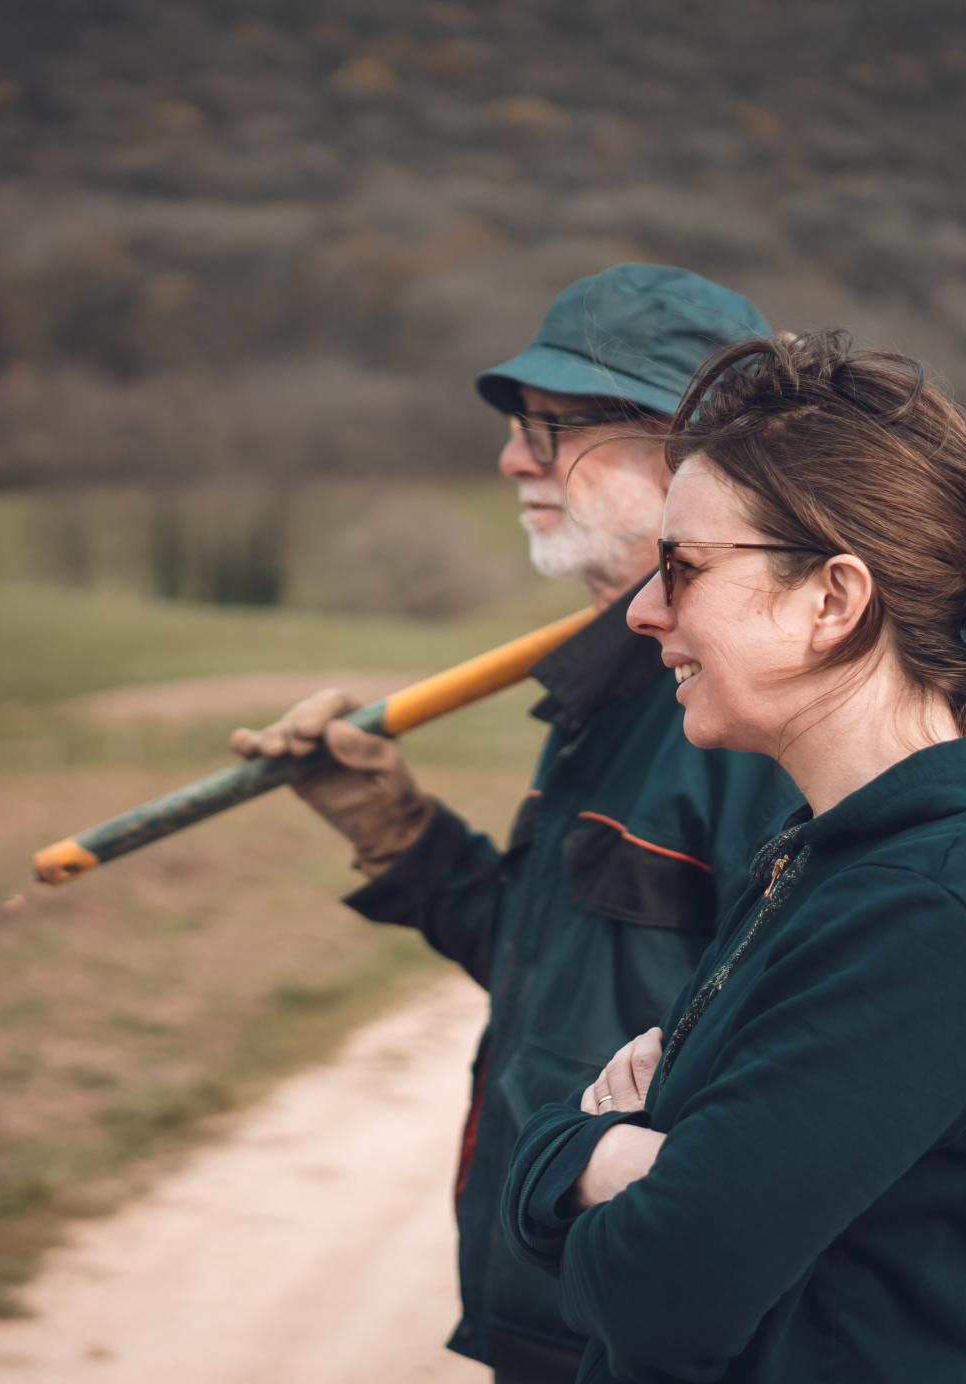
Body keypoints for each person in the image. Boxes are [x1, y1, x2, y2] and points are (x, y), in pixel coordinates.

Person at [231, 264, 802, 1382]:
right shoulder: (614, 686)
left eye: (558, 428)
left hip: (655, 1332)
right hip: (550, 1311)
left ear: (700, 452)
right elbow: (566, 980)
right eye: (517, 429)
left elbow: (796, 1091)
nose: (512, 460)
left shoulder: (758, 722)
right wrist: (402, 836)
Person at [501, 330, 966, 1383]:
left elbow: (649, 1292)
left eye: (684, 570)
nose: (643, 611)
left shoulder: (925, 909)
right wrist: (615, 1160)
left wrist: (579, 1154)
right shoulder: (818, 854)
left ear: (831, 601)